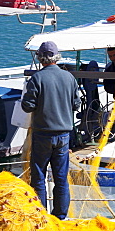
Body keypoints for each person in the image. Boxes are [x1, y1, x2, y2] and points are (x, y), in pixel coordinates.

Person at [21, 41, 81, 219]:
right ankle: (60, 216)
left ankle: (41, 217)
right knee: (61, 179)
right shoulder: (69, 78)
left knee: (38, 177)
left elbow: (27, 106)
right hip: (63, 136)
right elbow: (76, 104)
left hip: (42, 135)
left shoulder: (37, 78)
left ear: (40, 58)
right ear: (57, 57)